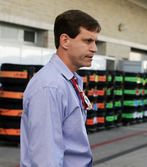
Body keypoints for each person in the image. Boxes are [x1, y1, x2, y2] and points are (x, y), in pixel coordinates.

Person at [20, 10, 101, 167]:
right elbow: (46, 158)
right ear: (65, 41)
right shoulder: (50, 87)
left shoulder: (71, 80)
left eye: (95, 42)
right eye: (88, 41)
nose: (94, 48)